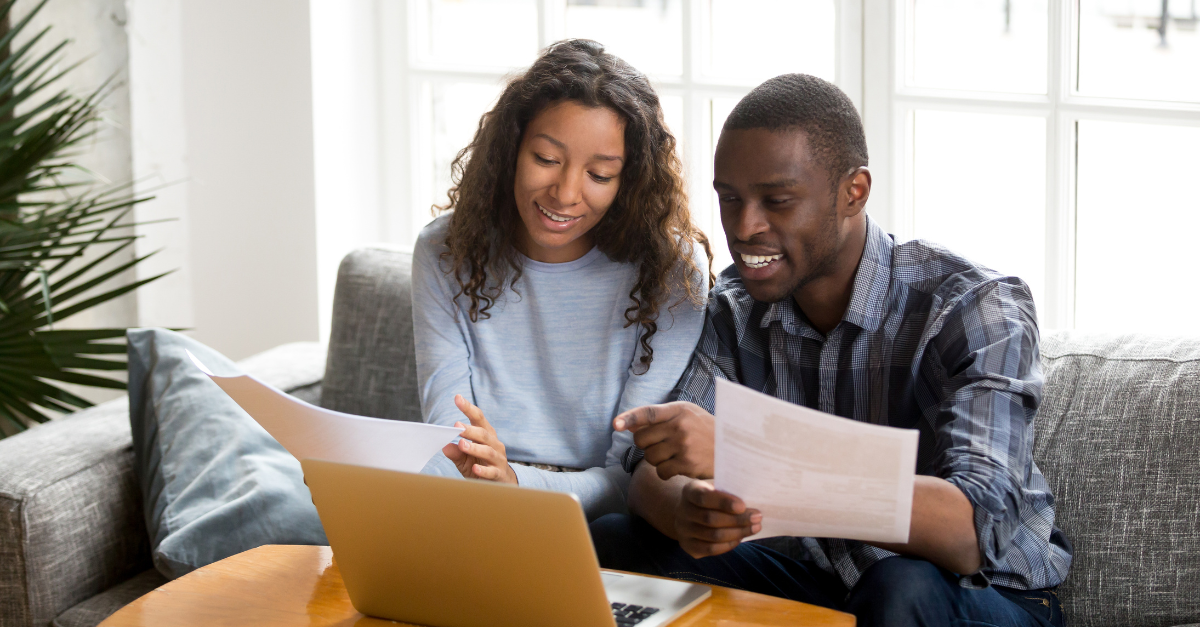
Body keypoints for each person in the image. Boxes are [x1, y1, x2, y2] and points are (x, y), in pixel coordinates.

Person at [589, 74, 1073, 627]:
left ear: (854, 192)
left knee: (899, 587)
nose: (744, 227)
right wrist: (687, 512)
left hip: (979, 597)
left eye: (777, 201)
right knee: (618, 541)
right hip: (825, 589)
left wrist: (749, 459)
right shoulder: (734, 308)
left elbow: (972, 532)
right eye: (730, 199)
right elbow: (652, 472)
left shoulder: (974, 306)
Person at [411, 39, 712, 520]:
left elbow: (631, 478)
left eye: (600, 174)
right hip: (470, 500)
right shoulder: (445, 249)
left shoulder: (672, 270)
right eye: (546, 159)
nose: (566, 193)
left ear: (629, 181)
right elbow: (449, 439)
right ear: (511, 150)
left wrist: (514, 482)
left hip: (596, 518)